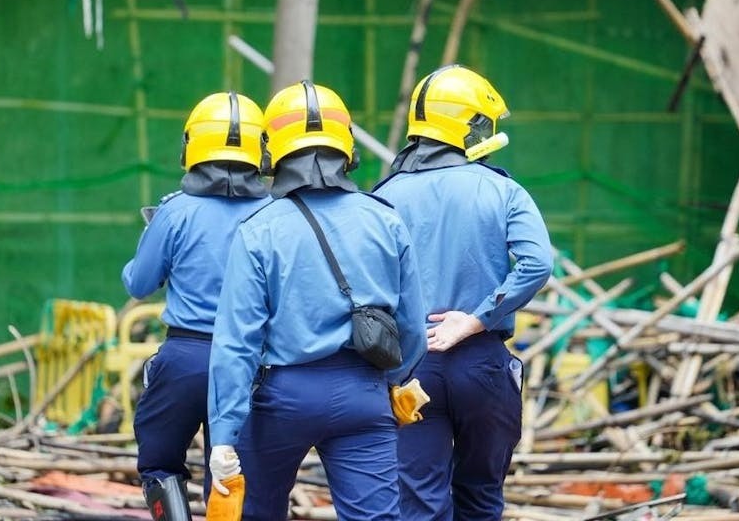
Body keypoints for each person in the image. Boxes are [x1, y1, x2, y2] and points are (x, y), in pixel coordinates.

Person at [207, 80, 428, 521]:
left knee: (255, 513)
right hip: (364, 393)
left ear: (273, 151)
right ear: (346, 146)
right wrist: (387, 383)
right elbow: (412, 328)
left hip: (282, 398)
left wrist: (224, 434)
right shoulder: (385, 220)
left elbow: (237, 343)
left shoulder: (258, 230)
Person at [374, 65, 553, 521]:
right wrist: (476, 319)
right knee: (481, 498)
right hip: (482, 363)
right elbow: (538, 263)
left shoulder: (384, 196)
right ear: (467, 124)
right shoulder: (503, 189)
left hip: (411, 366)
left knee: (419, 502)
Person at [122, 91, 272, 521]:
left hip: (186, 358)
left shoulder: (176, 211)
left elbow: (139, 283)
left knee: (160, 464)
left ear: (192, 144)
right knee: (232, 477)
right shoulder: (276, 212)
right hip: (253, 361)